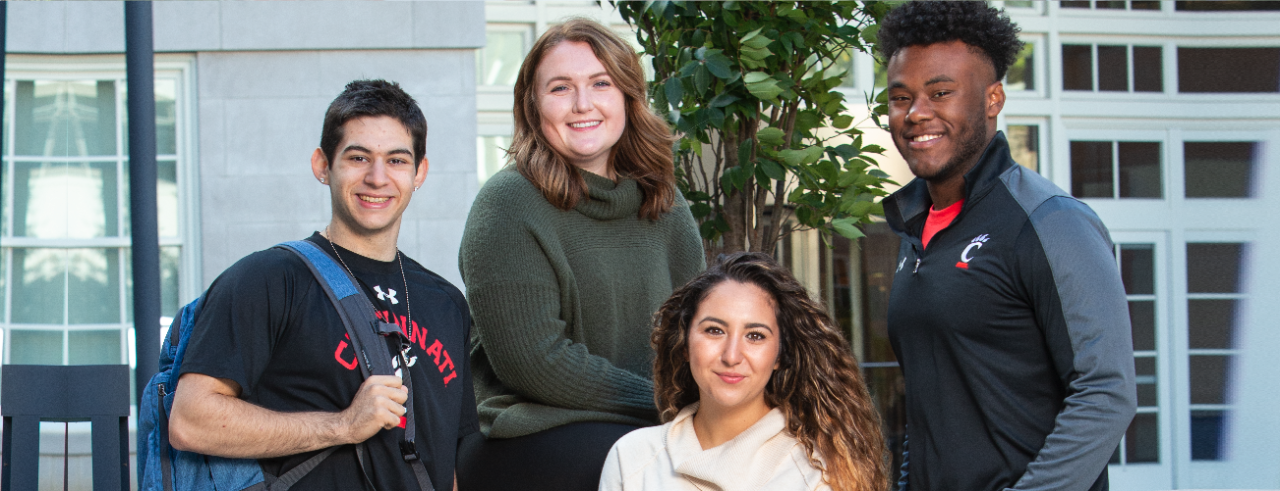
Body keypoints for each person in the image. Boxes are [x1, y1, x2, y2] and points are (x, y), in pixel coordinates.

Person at [877, 3, 1138, 491]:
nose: (916, 114)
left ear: (993, 98)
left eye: (940, 92)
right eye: (900, 97)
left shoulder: (1050, 221)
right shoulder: (916, 234)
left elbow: (1106, 394)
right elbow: (931, 406)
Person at [169, 80, 476, 491]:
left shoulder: (447, 303)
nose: (377, 177)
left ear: (419, 172)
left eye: (397, 160)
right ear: (322, 165)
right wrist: (342, 425)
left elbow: (446, 460)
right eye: (358, 157)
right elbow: (190, 421)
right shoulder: (271, 279)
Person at [456, 18, 705, 491]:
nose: (582, 104)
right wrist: (666, 404)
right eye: (560, 88)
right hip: (531, 431)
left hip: (648, 424)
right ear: (533, 106)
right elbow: (535, 362)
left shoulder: (665, 205)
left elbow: (695, 336)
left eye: (601, 84)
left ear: (628, 98)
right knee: (659, 468)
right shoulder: (508, 204)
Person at [599, 252, 887, 491]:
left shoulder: (818, 475)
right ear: (685, 343)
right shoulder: (633, 459)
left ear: (780, 355)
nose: (732, 356)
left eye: (755, 336)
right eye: (714, 331)